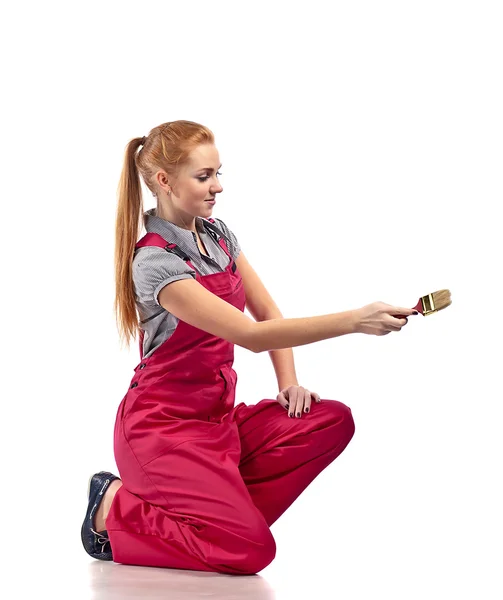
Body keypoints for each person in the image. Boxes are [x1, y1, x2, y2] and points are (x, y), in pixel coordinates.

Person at [81, 120, 417, 575]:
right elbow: (251, 336)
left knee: (330, 421)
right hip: (164, 430)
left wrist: (289, 383)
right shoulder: (155, 260)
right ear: (164, 181)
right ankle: (115, 507)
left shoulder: (218, 236)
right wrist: (355, 321)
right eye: (204, 177)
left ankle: (219, 515)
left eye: (219, 173)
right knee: (249, 552)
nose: (218, 186)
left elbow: (268, 313)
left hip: (216, 420)